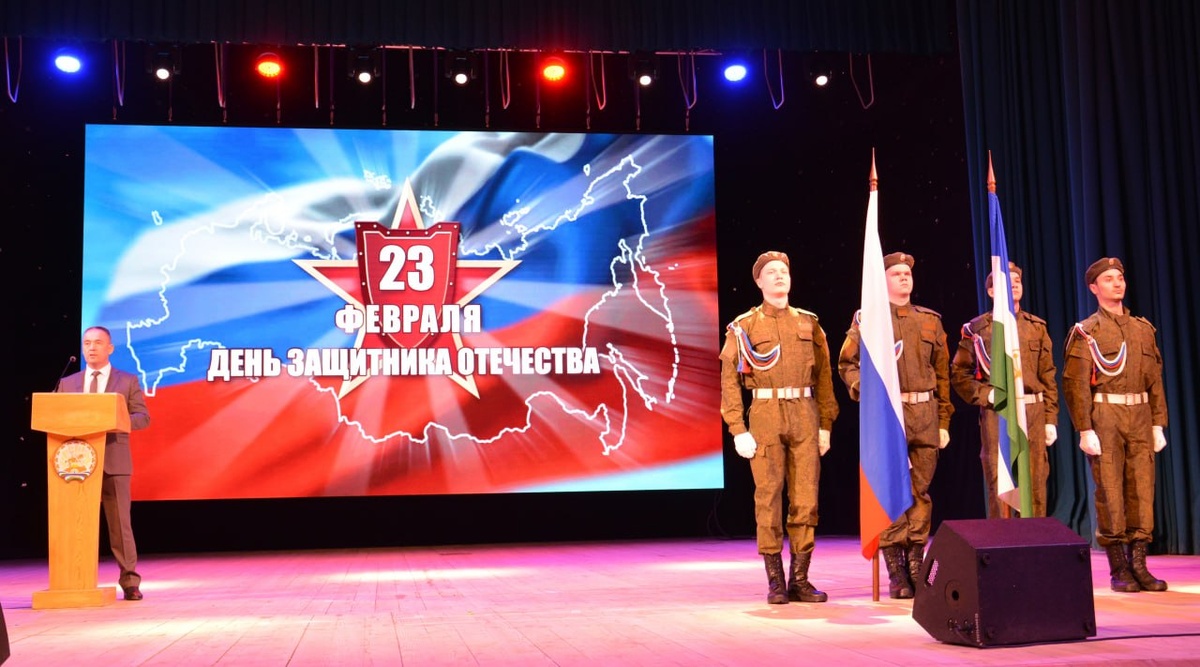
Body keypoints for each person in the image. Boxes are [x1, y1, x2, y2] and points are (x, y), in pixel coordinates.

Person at [719, 251, 839, 605]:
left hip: (805, 412)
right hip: (766, 413)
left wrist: (826, 424)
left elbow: (825, 377)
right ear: (758, 281)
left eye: (783, 270)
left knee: (806, 498)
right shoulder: (744, 326)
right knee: (768, 497)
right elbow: (729, 381)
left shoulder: (809, 323)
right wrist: (737, 427)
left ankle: (799, 578)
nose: (779, 276)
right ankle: (775, 581)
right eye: (770, 272)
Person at [837, 251, 952, 599]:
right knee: (889, 491)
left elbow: (943, 374)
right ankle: (896, 569)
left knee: (920, 492)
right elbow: (847, 364)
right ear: (882, 279)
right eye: (896, 273)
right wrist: (866, 391)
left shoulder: (930, 321)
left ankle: (916, 562)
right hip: (889, 414)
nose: (904, 277)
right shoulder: (869, 320)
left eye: (907, 273)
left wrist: (943, 420)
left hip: (924, 415)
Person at [1062, 258, 1168, 593]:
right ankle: (1119, 567)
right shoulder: (1087, 332)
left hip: (1140, 414)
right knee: (1110, 491)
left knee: (1142, 489)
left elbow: (1155, 381)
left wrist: (1158, 423)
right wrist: (1084, 429)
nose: (1117, 283)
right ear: (1094, 287)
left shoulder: (1142, 330)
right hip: (1106, 415)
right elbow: (1076, 385)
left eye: (1120, 277)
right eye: (1108, 279)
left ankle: (1139, 564)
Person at [950, 262, 1058, 518]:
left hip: (1033, 411)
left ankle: (1034, 537)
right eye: (1007, 282)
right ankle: (1003, 539)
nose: (1014, 285)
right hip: (998, 412)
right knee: (1001, 481)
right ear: (991, 291)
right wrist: (986, 394)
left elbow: (1048, 376)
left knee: (1034, 480)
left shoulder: (1036, 327)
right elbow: (959, 374)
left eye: (1017, 281)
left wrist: (1050, 419)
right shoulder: (978, 330)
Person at [57, 326, 151, 601]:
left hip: (114, 461)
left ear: (110, 348)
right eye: (87, 343)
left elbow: (142, 418)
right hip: (75, 464)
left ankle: (130, 581)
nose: (91, 347)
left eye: (98, 342)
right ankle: (74, 579)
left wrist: (113, 420)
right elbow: (56, 417)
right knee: (74, 523)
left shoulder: (127, 381)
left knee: (120, 525)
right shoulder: (68, 383)